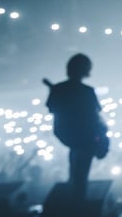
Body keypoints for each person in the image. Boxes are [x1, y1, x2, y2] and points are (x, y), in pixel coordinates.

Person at [45, 53, 108, 202]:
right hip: (86, 137)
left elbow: (52, 107)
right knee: (80, 174)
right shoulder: (87, 91)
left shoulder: (60, 89)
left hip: (69, 136)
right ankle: (78, 207)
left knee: (75, 171)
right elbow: (94, 114)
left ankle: (74, 203)